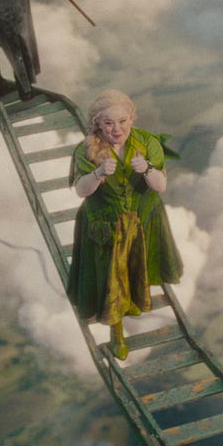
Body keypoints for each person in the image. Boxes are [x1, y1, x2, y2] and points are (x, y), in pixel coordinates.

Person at [65, 90, 183, 360]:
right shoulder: (86, 149)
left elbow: (160, 186)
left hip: (143, 219)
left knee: (136, 265)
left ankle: (136, 302)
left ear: (132, 118)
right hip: (106, 223)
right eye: (108, 123)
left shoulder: (147, 142)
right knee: (111, 277)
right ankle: (116, 333)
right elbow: (81, 191)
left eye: (122, 121)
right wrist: (98, 173)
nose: (116, 129)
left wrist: (147, 169)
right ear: (97, 123)